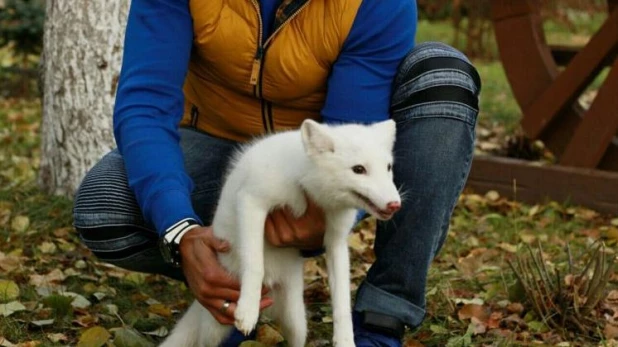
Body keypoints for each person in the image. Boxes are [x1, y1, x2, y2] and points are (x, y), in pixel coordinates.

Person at [72, 0, 481, 345]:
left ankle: (382, 318)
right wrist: (179, 230)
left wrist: (321, 218)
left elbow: (351, 134)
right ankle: (231, 299)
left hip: (316, 157)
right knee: (104, 209)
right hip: (215, 143)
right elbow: (145, 102)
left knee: (441, 74)